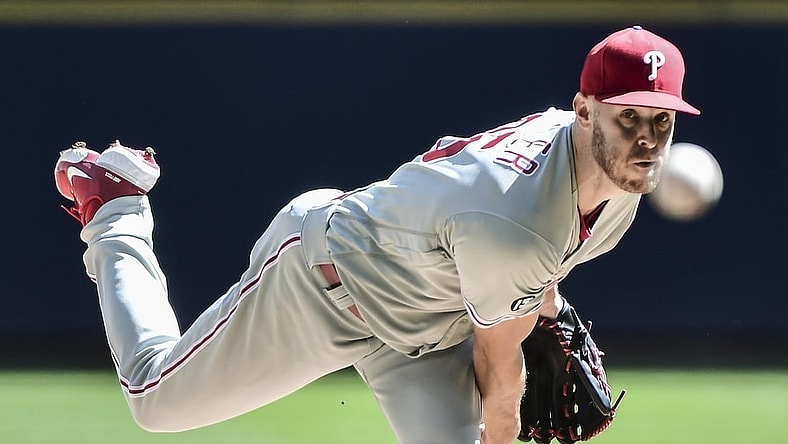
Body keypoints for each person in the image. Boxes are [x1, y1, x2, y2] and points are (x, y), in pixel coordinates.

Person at [54, 26, 699, 444]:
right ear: (583, 112)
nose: (646, 141)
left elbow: (539, 264)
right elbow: (502, 379)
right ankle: (115, 207)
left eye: (661, 121)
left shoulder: (614, 189)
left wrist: (544, 306)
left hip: (434, 322)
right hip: (327, 286)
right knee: (155, 401)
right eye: (628, 119)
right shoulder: (513, 221)